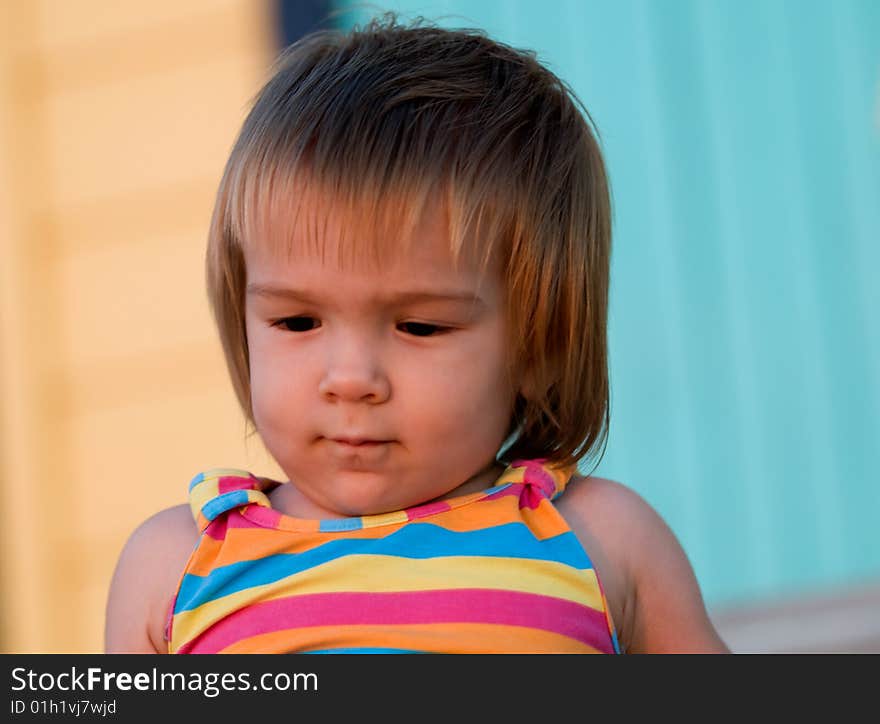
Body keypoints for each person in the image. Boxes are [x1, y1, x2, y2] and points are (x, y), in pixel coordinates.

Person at [104, 15, 729, 654]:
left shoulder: (600, 539)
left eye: (419, 326)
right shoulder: (176, 568)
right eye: (297, 321)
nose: (349, 378)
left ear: (539, 348)